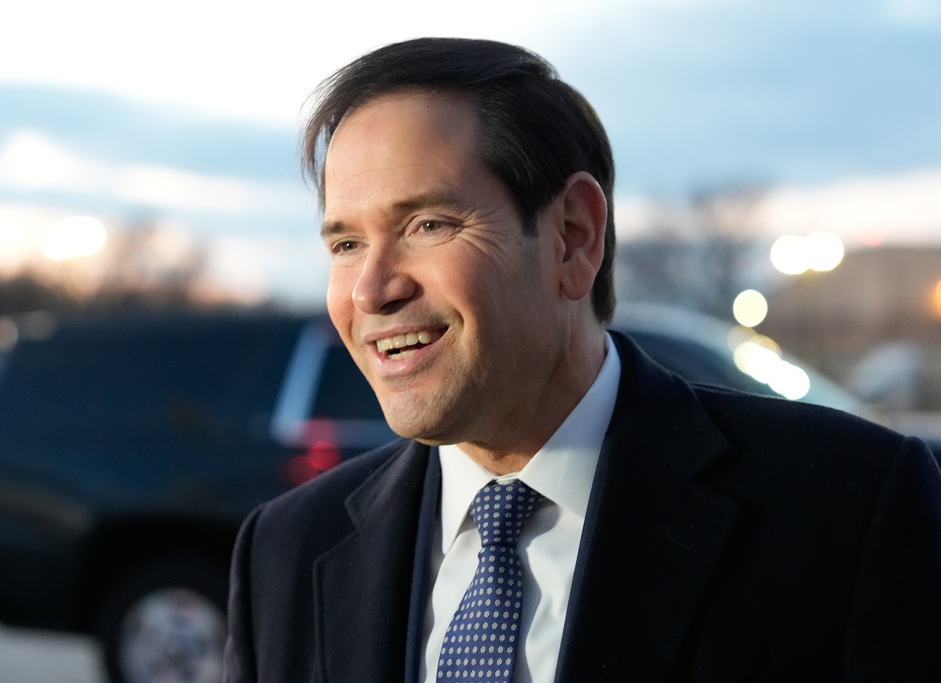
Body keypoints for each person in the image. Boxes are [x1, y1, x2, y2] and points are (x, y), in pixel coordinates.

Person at [223, 38, 941, 682]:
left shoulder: (847, 510)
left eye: (427, 224)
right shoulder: (285, 551)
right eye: (345, 244)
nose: (372, 290)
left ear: (573, 236)